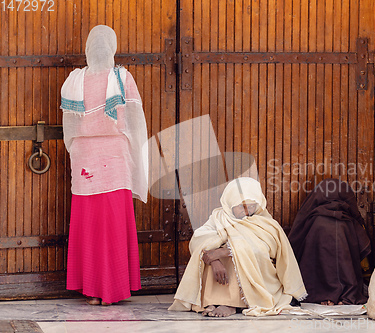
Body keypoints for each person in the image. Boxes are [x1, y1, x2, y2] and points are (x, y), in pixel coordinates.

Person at [60, 25, 148, 306]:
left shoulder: (73, 80)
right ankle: (113, 289)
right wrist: (136, 155)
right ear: (113, 47)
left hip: (84, 157)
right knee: (112, 222)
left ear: (87, 48)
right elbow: (134, 122)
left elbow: (70, 130)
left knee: (90, 222)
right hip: (115, 157)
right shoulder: (122, 77)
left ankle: (94, 288)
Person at [168, 177, 307, 317]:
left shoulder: (266, 223)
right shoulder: (218, 217)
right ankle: (213, 300)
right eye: (241, 206)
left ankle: (233, 304)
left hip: (262, 275)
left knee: (239, 256)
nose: (247, 211)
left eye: (252, 206)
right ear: (230, 203)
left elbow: (260, 250)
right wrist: (214, 260)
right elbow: (198, 242)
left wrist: (224, 252)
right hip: (219, 263)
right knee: (209, 252)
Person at [288, 178, 372, 306]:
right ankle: (343, 297)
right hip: (349, 292)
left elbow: (296, 246)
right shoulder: (349, 222)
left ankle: (322, 297)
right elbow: (365, 250)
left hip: (313, 291)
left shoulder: (312, 221)